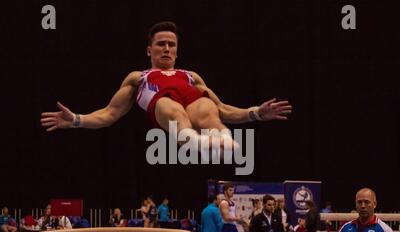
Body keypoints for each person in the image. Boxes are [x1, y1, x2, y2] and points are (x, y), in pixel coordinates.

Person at [40, 21, 292, 155]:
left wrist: (256, 112)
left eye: (171, 44)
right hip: (164, 105)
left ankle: (221, 138)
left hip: (194, 104)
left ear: (177, 51)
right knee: (169, 105)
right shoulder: (138, 77)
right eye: (161, 44)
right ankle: (190, 140)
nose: (167, 49)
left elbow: (224, 109)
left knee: (206, 106)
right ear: (149, 50)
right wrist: (76, 120)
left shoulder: (191, 75)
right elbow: (109, 114)